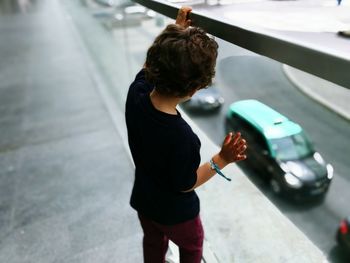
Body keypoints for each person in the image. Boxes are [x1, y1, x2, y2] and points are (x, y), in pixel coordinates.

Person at [125, 6, 247, 263]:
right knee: (192, 247)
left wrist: (176, 31)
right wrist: (222, 159)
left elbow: (150, 63)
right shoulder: (182, 137)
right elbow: (186, 183)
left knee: (153, 240)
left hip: (145, 201)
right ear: (195, 89)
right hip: (177, 215)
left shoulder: (136, 93)